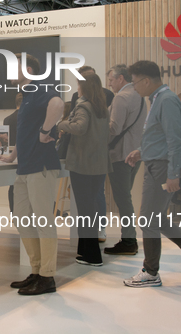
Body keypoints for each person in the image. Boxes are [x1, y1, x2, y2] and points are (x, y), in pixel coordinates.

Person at [123, 60, 181, 287]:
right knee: (156, 219)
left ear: (146, 80)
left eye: (135, 83)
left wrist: (173, 173)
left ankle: (151, 272)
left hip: (163, 168)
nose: (135, 88)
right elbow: (160, 137)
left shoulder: (167, 100)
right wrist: (142, 152)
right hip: (156, 165)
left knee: (148, 220)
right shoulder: (158, 100)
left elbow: (176, 140)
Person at [0, 53, 63, 295]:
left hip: (42, 166)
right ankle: (36, 270)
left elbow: (58, 105)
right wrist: (12, 156)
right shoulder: (27, 95)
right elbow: (26, 131)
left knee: (43, 221)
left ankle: (47, 277)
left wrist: (46, 131)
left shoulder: (39, 89)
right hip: (25, 167)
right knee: (22, 217)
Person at [58, 73, 111, 266]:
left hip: (82, 164)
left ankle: (92, 255)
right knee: (91, 209)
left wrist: (60, 124)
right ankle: (86, 251)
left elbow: (79, 128)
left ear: (83, 87)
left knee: (85, 210)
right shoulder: (102, 109)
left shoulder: (83, 106)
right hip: (99, 164)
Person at [104, 64, 145, 255]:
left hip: (120, 154)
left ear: (121, 79)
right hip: (135, 154)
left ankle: (129, 240)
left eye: (111, 79)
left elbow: (114, 129)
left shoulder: (121, 97)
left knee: (122, 199)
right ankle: (129, 238)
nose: (110, 83)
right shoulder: (140, 97)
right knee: (125, 197)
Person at [69, 65, 114, 241]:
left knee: (93, 197)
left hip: (94, 153)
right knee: (86, 201)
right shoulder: (76, 98)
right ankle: (89, 240)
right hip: (85, 153)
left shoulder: (106, 96)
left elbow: (78, 125)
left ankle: (98, 230)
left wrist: (61, 125)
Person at [3, 92, 23, 212]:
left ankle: (13, 211)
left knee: (13, 184)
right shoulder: (27, 117)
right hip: (25, 155)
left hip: (11, 154)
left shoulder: (7, 119)